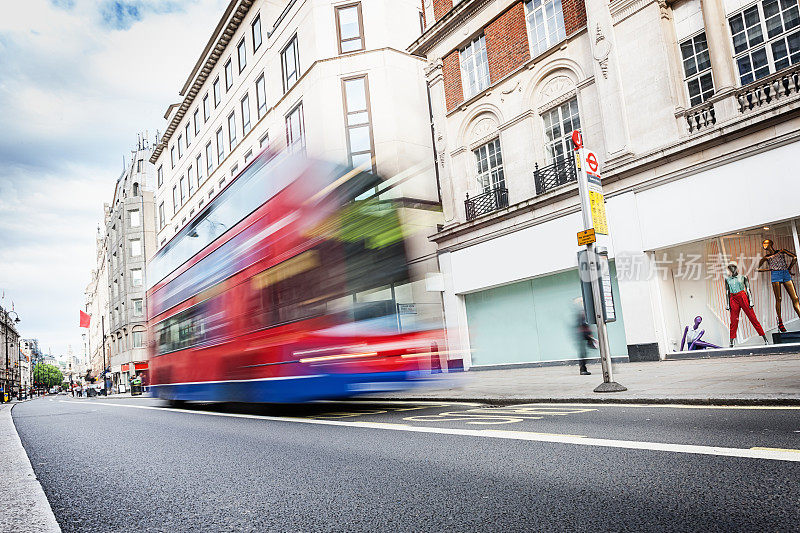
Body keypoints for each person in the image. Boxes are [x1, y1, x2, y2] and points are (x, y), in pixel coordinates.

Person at [574, 298, 596, 375]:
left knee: (584, 351)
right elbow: (582, 323)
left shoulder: (581, 311)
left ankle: (583, 368)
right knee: (583, 352)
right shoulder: (581, 312)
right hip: (583, 334)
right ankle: (583, 369)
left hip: (583, 334)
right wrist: (590, 334)